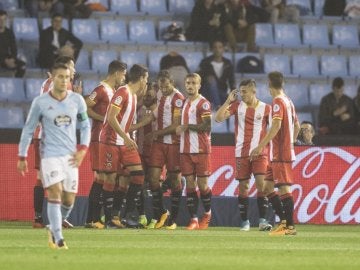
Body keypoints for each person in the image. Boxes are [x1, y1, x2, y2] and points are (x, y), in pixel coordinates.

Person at [17, 62, 91, 249]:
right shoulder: (41, 102)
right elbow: (28, 129)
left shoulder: (77, 100)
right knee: (54, 192)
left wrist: (83, 149)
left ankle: (54, 226)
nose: (64, 80)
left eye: (67, 77)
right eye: (60, 77)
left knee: (68, 200)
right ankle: (58, 238)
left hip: (70, 155)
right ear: (52, 77)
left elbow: (85, 126)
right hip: (49, 153)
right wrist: (22, 156)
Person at [215, 79, 272, 231]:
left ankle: (262, 221)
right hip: (241, 153)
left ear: (254, 91)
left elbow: (273, 130)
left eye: (245, 92)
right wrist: (228, 100)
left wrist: (261, 147)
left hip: (260, 153)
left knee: (262, 185)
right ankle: (245, 222)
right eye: (240, 92)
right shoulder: (236, 106)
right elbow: (218, 118)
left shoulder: (266, 108)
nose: (242, 94)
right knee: (243, 187)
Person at [32, 56, 81, 229]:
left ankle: (40, 218)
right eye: (72, 67)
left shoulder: (49, 81)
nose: (74, 71)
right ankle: (44, 218)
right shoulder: (61, 85)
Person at [98, 64, 148, 228]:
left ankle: (125, 216)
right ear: (141, 78)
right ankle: (110, 219)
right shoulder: (122, 92)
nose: (146, 81)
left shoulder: (133, 95)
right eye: (146, 78)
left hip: (123, 142)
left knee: (138, 175)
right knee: (110, 178)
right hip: (110, 141)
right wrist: (125, 137)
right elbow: (111, 118)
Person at [250, 71, 300, 236]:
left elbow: (276, 126)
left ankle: (289, 227)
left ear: (269, 84)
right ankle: (284, 222)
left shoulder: (278, 101)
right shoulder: (288, 101)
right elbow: (297, 126)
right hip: (278, 152)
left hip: (280, 153)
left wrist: (260, 146)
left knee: (284, 189)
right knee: (266, 186)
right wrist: (291, 142)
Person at [84, 60, 127, 229]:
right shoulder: (101, 89)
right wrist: (104, 119)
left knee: (108, 177)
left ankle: (94, 219)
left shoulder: (113, 91)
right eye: (123, 74)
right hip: (98, 138)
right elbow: (85, 107)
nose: (124, 78)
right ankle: (92, 219)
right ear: (116, 73)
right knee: (100, 177)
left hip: (108, 140)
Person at [146, 70, 185, 230]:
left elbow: (176, 125)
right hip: (159, 144)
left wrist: (155, 133)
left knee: (175, 180)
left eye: (167, 86)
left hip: (174, 144)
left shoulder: (178, 99)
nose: (164, 89)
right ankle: (162, 212)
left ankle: (173, 220)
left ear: (172, 83)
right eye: (162, 86)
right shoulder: (160, 95)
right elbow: (154, 115)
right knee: (153, 179)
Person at [176, 73, 212, 230]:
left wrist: (187, 127)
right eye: (188, 83)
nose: (190, 85)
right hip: (185, 149)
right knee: (190, 184)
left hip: (201, 149)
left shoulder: (203, 103)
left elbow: (207, 126)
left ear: (199, 85)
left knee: (203, 185)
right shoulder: (184, 103)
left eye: (193, 83)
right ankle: (194, 219)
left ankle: (208, 214)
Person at [198, 39, 235, 109]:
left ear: (223, 49)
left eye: (220, 47)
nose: (217, 49)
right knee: (211, 79)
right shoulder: (205, 62)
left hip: (221, 92)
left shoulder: (228, 63)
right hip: (207, 93)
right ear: (212, 49)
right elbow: (199, 79)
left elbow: (232, 81)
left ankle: (218, 105)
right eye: (215, 47)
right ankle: (218, 106)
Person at [0, 10, 26, 77]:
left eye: (4, 19)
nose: (2, 22)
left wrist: (12, 59)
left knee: (22, 65)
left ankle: (16, 84)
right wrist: (4, 60)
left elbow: (14, 48)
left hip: (8, 58)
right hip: (1, 59)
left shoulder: (9, 32)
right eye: (0, 20)